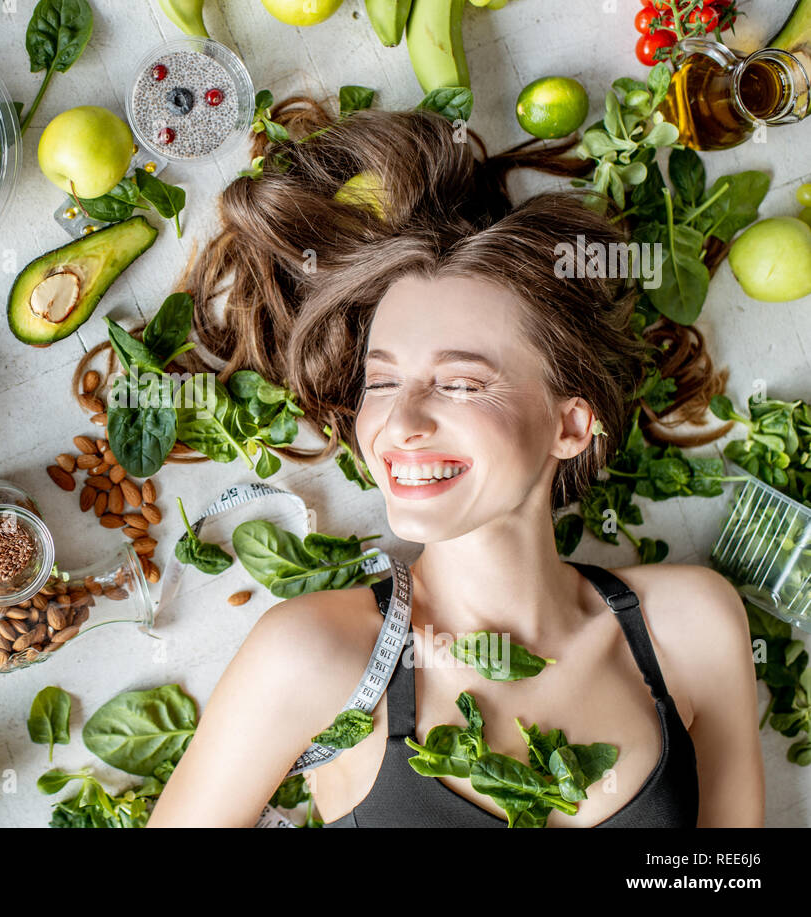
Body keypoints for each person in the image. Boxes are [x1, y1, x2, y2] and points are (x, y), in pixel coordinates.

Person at [146, 107, 763, 828]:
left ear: (570, 424)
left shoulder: (693, 624)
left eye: (462, 383)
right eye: (381, 383)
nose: (401, 424)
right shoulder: (313, 655)